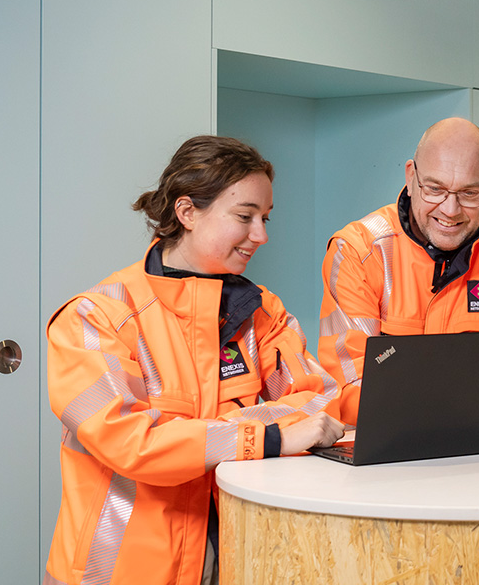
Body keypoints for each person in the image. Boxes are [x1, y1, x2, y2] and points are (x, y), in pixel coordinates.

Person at [44, 136, 359, 585]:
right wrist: (266, 436)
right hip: (117, 574)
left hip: (229, 561)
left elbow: (319, 405)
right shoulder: (95, 318)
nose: (261, 236)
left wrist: (195, 436)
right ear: (187, 212)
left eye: (265, 218)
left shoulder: (262, 312)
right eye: (245, 216)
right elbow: (133, 444)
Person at [319, 118, 479, 422]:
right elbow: (348, 381)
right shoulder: (357, 251)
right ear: (411, 177)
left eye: (469, 193)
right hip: (395, 442)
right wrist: (446, 410)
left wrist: (474, 410)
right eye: (435, 189)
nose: (450, 210)